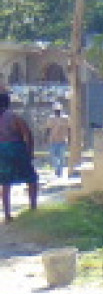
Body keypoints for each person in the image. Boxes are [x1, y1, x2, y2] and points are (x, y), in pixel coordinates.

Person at [0, 91, 38, 223]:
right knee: (31, 178)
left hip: (2, 151)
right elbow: (27, 134)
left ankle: (7, 214)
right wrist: (29, 152)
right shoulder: (14, 117)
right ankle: (33, 207)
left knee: (5, 183)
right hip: (16, 148)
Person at [44, 105, 70, 178]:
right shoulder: (51, 119)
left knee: (62, 157)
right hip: (53, 140)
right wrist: (45, 137)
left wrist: (69, 137)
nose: (57, 112)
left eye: (58, 110)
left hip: (62, 140)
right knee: (53, 156)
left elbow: (69, 129)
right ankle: (57, 168)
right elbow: (48, 129)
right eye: (56, 111)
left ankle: (60, 171)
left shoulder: (65, 118)